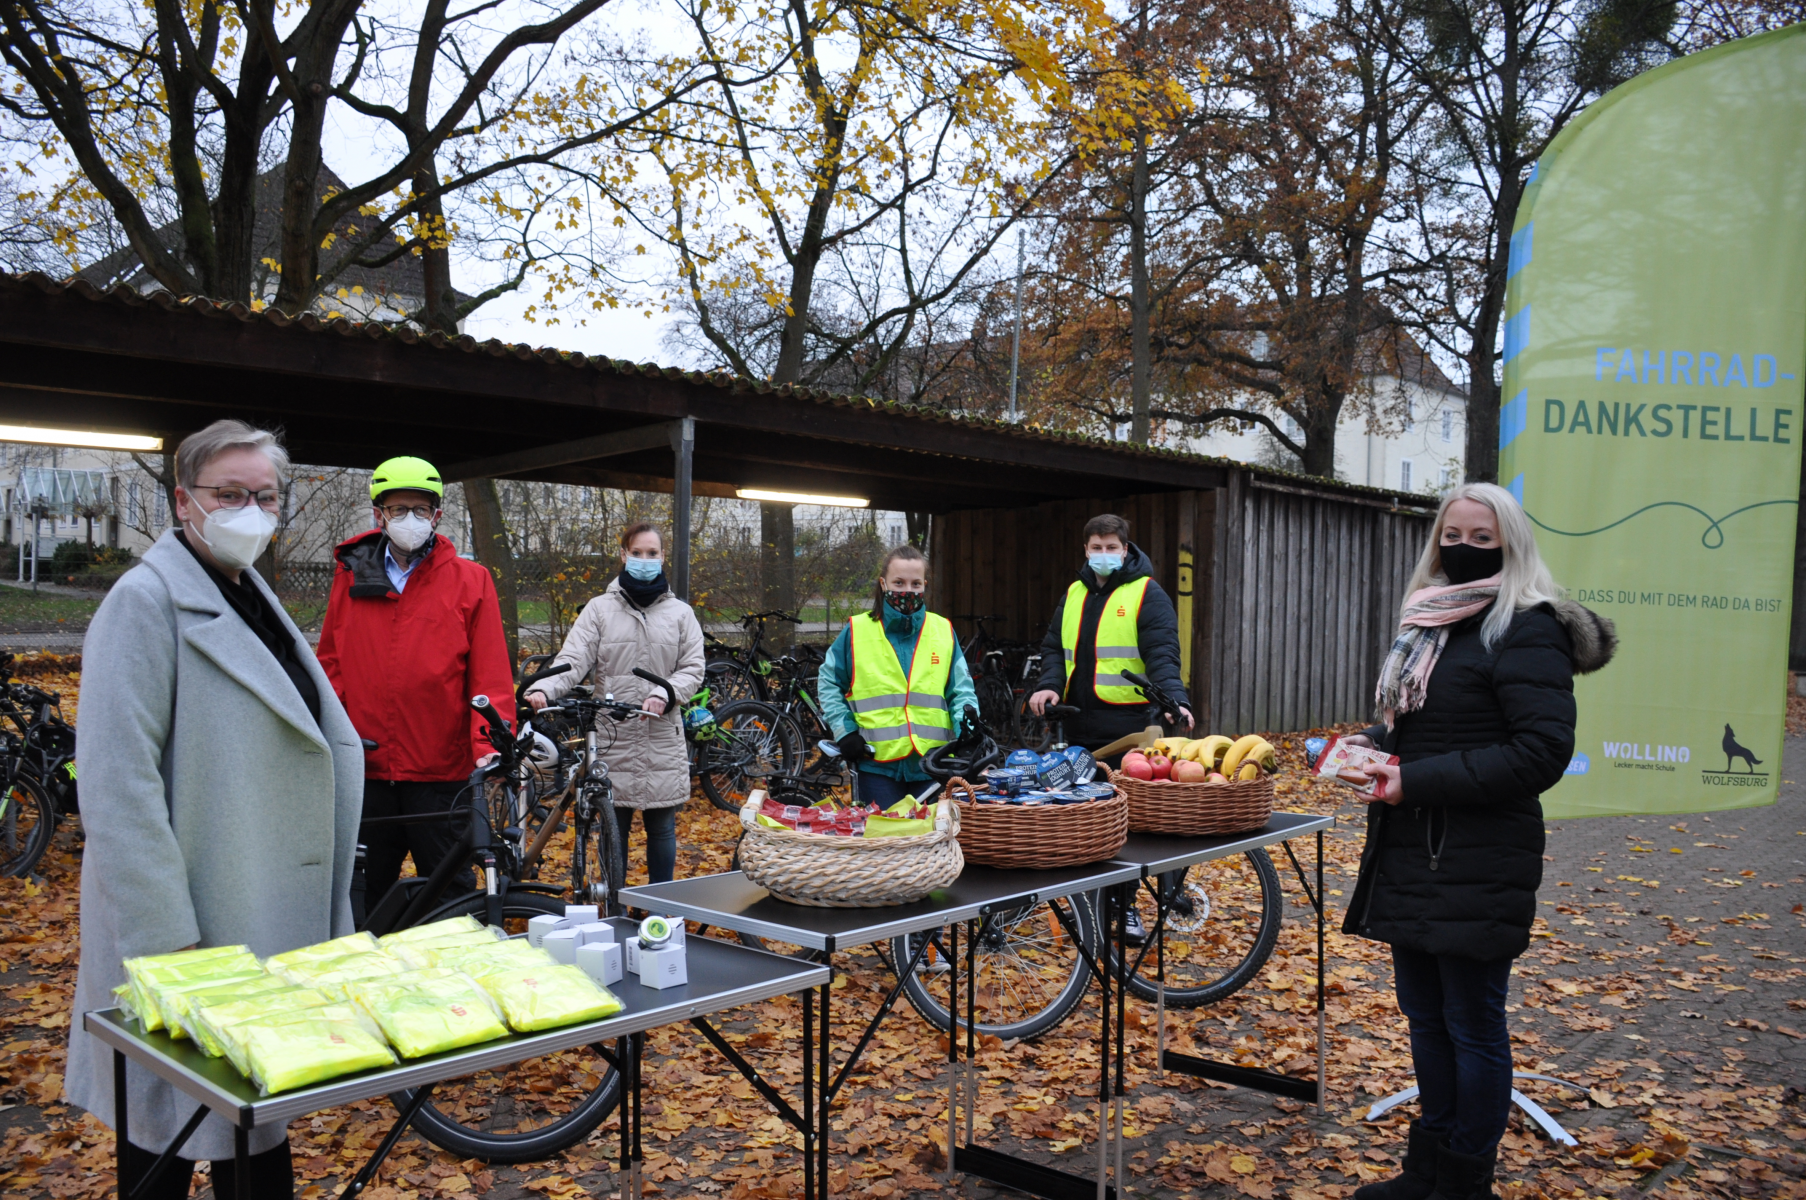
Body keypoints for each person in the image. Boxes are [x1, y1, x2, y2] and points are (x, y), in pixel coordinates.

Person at [66, 420, 364, 1199]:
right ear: (182, 501)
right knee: (165, 1138)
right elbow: (116, 790)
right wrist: (173, 956)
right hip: (192, 932)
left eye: (264, 496)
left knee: (253, 1128)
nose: (249, 511)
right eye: (228, 494)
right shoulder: (145, 603)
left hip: (256, 914)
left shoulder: (246, 593)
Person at [1344, 483, 1615, 1200]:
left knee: (1472, 1026)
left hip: (1480, 856)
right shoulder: (1434, 622)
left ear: (1511, 545)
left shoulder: (1529, 627)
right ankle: (1424, 1170)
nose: (1463, 550)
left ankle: (1466, 1183)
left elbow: (1539, 754)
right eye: (1452, 537)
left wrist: (1416, 781)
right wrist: (1372, 748)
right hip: (1413, 849)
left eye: (1481, 539)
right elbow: (1432, 729)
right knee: (1427, 1021)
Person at [315, 456, 516, 916]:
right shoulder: (350, 578)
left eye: (420, 510)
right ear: (379, 514)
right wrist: (331, 735)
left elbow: (490, 673)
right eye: (398, 508)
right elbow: (332, 665)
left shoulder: (470, 580)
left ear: (437, 515)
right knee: (363, 900)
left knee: (451, 899)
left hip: (440, 775)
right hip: (368, 769)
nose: (410, 518)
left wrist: (491, 741)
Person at [524, 522, 704, 885]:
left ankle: (658, 910)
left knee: (662, 828)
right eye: (636, 553)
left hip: (661, 733)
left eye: (652, 553)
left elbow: (693, 667)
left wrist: (665, 692)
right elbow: (573, 660)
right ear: (623, 555)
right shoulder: (599, 610)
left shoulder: (681, 614)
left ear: (662, 557)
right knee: (613, 828)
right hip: (611, 733)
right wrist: (543, 688)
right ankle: (616, 909)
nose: (644, 560)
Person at [819, 544, 980, 808]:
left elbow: (961, 691)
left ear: (925, 585)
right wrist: (844, 731)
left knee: (934, 844)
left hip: (932, 764)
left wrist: (969, 735)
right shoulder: (856, 631)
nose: (908, 590)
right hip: (876, 767)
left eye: (915, 583)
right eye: (899, 582)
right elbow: (828, 682)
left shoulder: (942, 630)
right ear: (883, 584)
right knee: (884, 844)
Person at [1027, 513, 1193, 748]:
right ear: (1086, 550)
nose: (1104, 554)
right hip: (1075, 729)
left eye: (1111, 547)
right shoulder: (1074, 593)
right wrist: (1049, 685)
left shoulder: (1147, 593)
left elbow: (1162, 654)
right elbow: (1054, 648)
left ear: (1125, 550)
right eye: (1097, 547)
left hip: (1130, 729)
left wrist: (1176, 701)